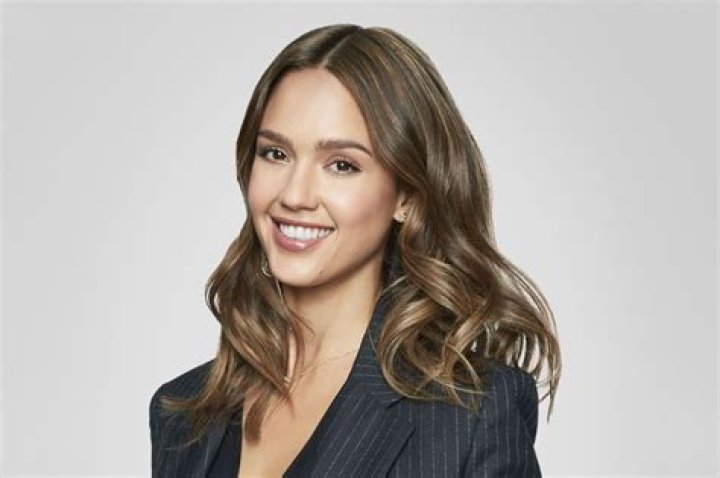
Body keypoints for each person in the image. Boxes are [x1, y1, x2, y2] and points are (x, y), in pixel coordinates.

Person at [149, 23, 561, 477]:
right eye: (275, 154)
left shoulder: (469, 417)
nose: (295, 195)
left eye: (342, 165)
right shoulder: (182, 414)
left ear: (407, 196)